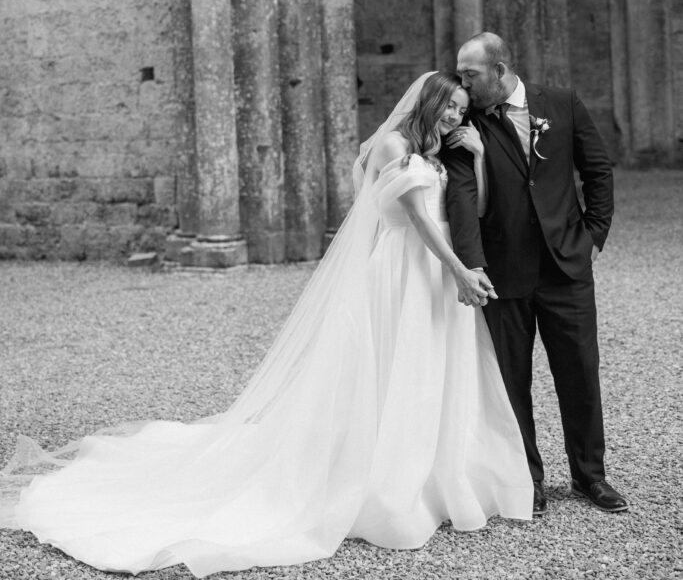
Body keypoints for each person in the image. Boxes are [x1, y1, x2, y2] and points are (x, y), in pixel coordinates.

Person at [1, 71, 532, 578]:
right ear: (427, 103)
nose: (453, 117)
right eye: (448, 107)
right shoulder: (394, 147)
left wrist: (480, 160)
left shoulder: (444, 152)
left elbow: (471, 210)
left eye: (462, 110)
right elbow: (415, 219)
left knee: (430, 374)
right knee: (396, 369)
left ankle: (436, 474)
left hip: (433, 274)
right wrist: (459, 269)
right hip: (404, 271)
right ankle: (385, 481)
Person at [440, 32, 627, 517]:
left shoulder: (561, 103)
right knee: (510, 381)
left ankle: (591, 476)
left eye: (470, 74)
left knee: (580, 372)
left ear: (500, 71)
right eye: (461, 73)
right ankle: (527, 479)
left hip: (566, 265)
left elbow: (597, 168)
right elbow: (461, 194)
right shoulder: (468, 121)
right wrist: (472, 262)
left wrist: (593, 233)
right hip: (504, 270)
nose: (462, 82)